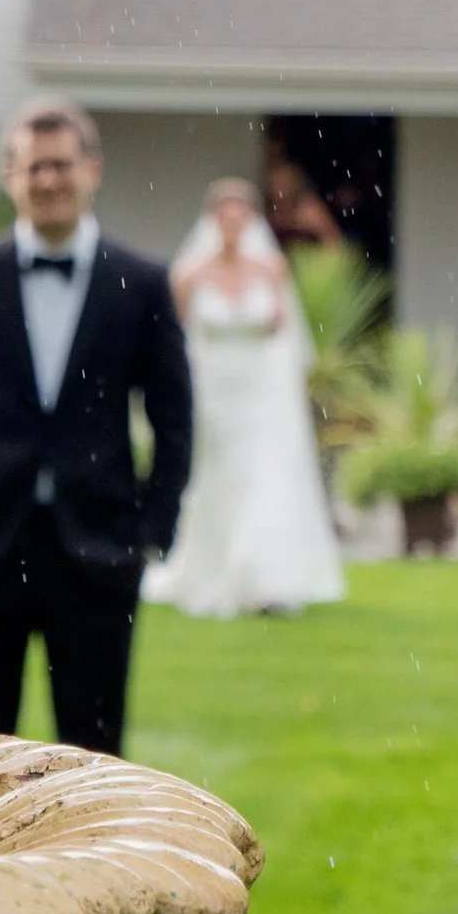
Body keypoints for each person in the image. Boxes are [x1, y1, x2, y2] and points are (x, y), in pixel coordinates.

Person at [0, 98, 194, 914]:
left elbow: (175, 416)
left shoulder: (139, 283)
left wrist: (151, 529)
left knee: (94, 746)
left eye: (61, 164)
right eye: (32, 166)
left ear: (90, 169)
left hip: (97, 550)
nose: (47, 179)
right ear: (10, 177)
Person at [146, 178, 345, 619]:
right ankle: (216, 570)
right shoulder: (189, 274)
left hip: (261, 395)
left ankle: (263, 581)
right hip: (214, 393)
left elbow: (286, 334)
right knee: (219, 481)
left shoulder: (270, 269)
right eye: (225, 219)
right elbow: (172, 341)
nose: (232, 227)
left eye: (241, 218)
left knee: (264, 481)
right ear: (212, 222)